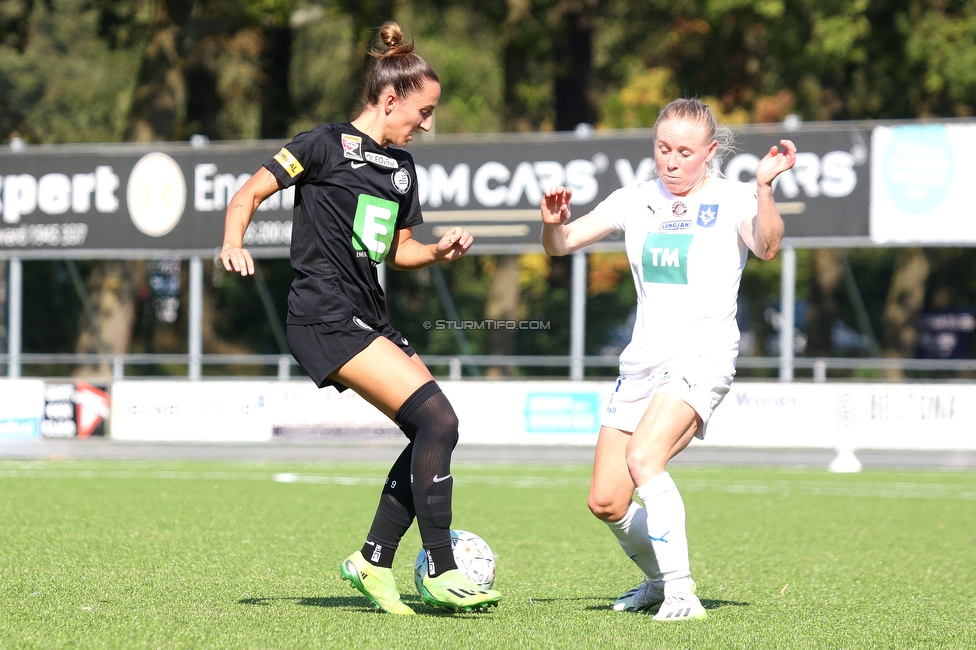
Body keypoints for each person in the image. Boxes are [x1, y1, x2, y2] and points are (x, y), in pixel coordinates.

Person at [220, 21, 501, 615]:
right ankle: (442, 569)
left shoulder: (401, 169)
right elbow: (245, 195)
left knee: (434, 430)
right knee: (439, 421)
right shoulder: (321, 144)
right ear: (390, 98)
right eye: (423, 110)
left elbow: (397, 250)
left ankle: (373, 563)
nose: (428, 123)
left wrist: (437, 251)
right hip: (323, 313)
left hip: (368, 314)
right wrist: (233, 241)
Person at [540, 98, 797, 621]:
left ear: (709, 152)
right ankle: (658, 581)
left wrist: (765, 187)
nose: (671, 161)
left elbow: (768, 246)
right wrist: (551, 222)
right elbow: (561, 244)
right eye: (663, 149)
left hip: (702, 357)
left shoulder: (733, 198)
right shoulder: (634, 200)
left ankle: (682, 593)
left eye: (684, 151)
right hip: (643, 363)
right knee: (606, 501)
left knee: (644, 460)